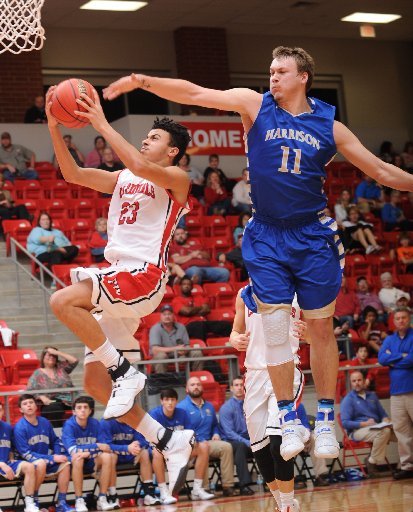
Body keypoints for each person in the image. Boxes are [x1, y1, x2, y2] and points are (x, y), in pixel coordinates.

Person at [103, 45, 413, 462]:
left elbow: (383, 172)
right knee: (275, 330)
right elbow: (195, 93)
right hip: (266, 233)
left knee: (321, 330)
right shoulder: (255, 104)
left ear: (303, 76)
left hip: (312, 235)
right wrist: (142, 81)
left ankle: (324, 418)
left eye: (281, 71)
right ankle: (289, 418)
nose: (273, 77)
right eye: (270, 70)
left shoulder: (330, 125)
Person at [46, 86, 195, 496]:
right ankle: (168, 440)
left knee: (62, 300)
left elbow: (135, 160)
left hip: (142, 275)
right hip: (120, 280)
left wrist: (99, 122)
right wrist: (54, 126)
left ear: (173, 153)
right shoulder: (124, 177)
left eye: (156, 138)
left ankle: (124, 371)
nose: (148, 139)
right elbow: (72, 174)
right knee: (96, 387)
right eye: (147, 135)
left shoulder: (176, 180)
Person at [229, 286, 304, 512]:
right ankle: (283, 504)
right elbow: (235, 330)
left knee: (278, 443)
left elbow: (317, 331)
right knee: (260, 450)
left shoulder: (299, 292)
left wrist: (307, 333)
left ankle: (287, 506)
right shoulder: (243, 294)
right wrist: (235, 339)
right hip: (254, 375)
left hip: (286, 370)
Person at [150, 388, 214, 502]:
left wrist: (195, 441)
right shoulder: (155, 414)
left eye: (172, 400)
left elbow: (190, 432)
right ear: (161, 401)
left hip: (180, 449)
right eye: (167, 399)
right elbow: (152, 439)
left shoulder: (182, 413)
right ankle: (164, 492)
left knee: (204, 446)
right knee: (156, 452)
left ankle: (197, 489)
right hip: (163, 451)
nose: (170, 402)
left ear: (176, 401)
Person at [178, 377, 235, 496]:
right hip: (192, 445)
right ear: (187, 389)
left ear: (202, 388)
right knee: (202, 449)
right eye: (192, 385)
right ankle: (203, 488)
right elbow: (181, 431)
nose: (196, 387)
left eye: (198, 384)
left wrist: (216, 433)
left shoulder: (209, 406)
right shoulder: (181, 407)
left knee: (226, 447)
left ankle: (227, 486)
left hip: (209, 442)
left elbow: (215, 425)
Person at [13, 394, 71, 512]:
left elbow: (55, 440)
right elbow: (26, 454)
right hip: (27, 463)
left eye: (31, 402)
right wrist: (52, 457)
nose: (29, 405)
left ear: (36, 406)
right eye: (25, 404)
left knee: (66, 464)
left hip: (45, 459)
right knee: (40, 463)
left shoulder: (44, 422)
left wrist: (57, 454)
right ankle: (34, 500)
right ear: (20, 409)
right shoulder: (19, 427)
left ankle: (61, 502)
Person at [378, 307, 413, 480]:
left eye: (404, 317)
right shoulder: (390, 339)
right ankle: (407, 466)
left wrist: (394, 358)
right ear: (394, 320)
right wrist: (403, 356)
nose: (401, 320)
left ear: (409, 319)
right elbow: (381, 358)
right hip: (396, 392)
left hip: (412, 389)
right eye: (397, 318)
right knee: (401, 431)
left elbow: (412, 358)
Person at [62, 396, 113, 512]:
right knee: (78, 458)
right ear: (74, 411)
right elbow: (73, 450)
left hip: (91, 459)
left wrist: (87, 452)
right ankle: (79, 500)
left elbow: (104, 447)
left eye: (85, 407)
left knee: (107, 457)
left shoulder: (95, 423)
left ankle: (102, 498)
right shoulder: (69, 425)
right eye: (79, 408)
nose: (83, 410)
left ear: (90, 411)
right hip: (73, 462)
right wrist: (94, 447)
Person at [340, 371, 396, 477]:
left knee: (403, 433)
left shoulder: (372, 395)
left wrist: (386, 420)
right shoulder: (348, 399)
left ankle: (404, 466)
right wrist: (364, 424)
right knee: (385, 431)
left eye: (359, 380)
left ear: (365, 380)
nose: (357, 383)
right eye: (354, 381)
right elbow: (345, 423)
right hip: (357, 431)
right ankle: (371, 462)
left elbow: (383, 414)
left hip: (376, 427)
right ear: (351, 383)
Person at [98, 418, 159, 507]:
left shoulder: (134, 420)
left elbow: (145, 440)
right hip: (115, 455)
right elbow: (106, 446)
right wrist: (127, 448)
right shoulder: (106, 422)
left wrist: (138, 444)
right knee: (110, 456)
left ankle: (149, 494)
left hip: (131, 453)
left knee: (144, 453)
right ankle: (113, 496)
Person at [219, 376, 255, 496]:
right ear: (231, 388)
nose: (239, 388)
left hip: (249, 439)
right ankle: (244, 485)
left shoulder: (251, 405)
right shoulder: (226, 408)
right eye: (236, 385)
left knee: (267, 443)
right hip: (232, 441)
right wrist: (247, 442)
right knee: (240, 447)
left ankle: (271, 481)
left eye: (241, 385)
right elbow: (229, 433)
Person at [0, 401, 39, 512]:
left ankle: (30, 503)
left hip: (6, 463)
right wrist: (1, 464)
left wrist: (11, 457)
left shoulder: (7, 427)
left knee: (29, 467)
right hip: (1, 464)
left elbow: (11, 446)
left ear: (2, 411)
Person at [26, 346, 78, 427]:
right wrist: (41, 397)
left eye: (54, 355)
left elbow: (75, 361)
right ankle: (58, 434)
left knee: (87, 402)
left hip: (70, 400)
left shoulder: (61, 367)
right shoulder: (37, 374)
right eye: (49, 355)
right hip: (51, 402)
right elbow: (29, 391)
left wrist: (57, 352)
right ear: (43, 357)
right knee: (54, 408)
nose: (52, 357)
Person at [171, 276, 232, 340]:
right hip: (187, 325)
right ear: (180, 286)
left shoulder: (198, 297)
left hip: (203, 323)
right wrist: (200, 308)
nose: (186, 286)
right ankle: (202, 349)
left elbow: (207, 310)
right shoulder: (176, 300)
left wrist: (192, 311)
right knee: (199, 326)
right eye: (184, 284)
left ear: (192, 287)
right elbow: (187, 311)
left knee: (226, 325)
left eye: (189, 284)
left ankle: (227, 345)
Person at [149, 304, 204, 372]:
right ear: (160, 316)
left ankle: (196, 379)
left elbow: (187, 345)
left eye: (169, 314)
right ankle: (162, 381)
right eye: (164, 314)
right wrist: (175, 349)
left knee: (197, 352)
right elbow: (155, 350)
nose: (167, 316)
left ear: (173, 316)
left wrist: (184, 350)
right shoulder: (155, 329)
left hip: (180, 356)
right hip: (165, 356)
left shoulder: (181, 327)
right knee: (161, 356)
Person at [295, 403, 330, 488]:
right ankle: (295, 478)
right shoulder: (276, 405)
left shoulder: (299, 405)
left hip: (300, 435)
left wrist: (307, 436)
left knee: (315, 439)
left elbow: (305, 422)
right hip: (285, 437)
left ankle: (320, 475)